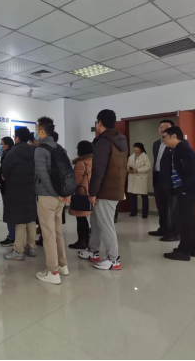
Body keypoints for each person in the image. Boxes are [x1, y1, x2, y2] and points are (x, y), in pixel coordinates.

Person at [79, 110, 128, 271]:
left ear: (99, 122)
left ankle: (113, 259)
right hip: (115, 187)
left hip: (105, 191)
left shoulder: (103, 142)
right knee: (96, 221)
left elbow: (98, 171)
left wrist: (92, 193)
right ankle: (93, 251)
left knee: (106, 225)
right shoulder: (121, 140)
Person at [34, 117, 70, 285]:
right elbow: (67, 173)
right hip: (60, 197)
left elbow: (42, 175)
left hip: (47, 196)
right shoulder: (60, 148)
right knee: (57, 232)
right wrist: (63, 193)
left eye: (37, 129)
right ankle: (62, 266)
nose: (36, 132)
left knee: (48, 234)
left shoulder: (40, 150)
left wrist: (55, 193)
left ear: (42, 131)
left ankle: (53, 271)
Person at [162, 127, 195, 262]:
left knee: (185, 221)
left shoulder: (182, 149)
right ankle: (191, 248)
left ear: (174, 136)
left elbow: (192, 171)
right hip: (188, 189)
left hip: (188, 190)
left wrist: (183, 188)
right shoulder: (180, 148)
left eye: (165, 137)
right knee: (189, 220)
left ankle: (184, 251)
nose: (163, 140)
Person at [3, 127, 38, 262]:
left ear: (17, 138)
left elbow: (5, 172)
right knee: (31, 219)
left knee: (19, 220)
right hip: (31, 189)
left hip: (16, 190)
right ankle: (31, 247)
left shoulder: (12, 153)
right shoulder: (34, 151)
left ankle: (18, 250)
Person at [149, 120, 177, 241]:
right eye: (161, 127)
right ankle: (163, 229)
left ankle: (173, 233)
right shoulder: (156, 144)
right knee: (161, 206)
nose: (163, 129)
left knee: (172, 207)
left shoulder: (175, 143)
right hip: (158, 177)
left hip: (170, 179)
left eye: (166, 127)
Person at [68, 141, 94, 250]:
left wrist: (68, 190)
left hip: (81, 194)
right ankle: (86, 241)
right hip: (91, 192)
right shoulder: (93, 161)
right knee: (86, 219)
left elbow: (76, 181)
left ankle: (82, 241)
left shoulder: (81, 163)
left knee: (81, 219)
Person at [128, 143, 152, 219]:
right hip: (132, 176)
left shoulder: (145, 156)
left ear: (141, 148)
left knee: (144, 196)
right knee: (133, 195)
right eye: (134, 147)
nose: (135, 148)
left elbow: (148, 167)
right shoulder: (131, 156)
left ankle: (145, 213)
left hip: (141, 177)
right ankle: (133, 212)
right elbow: (128, 165)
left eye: (136, 147)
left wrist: (137, 170)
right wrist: (129, 169)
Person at [0, 137, 16, 248]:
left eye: (2, 144)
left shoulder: (7, 155)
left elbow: (5, 173)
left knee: (10, 213)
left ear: (7, 145)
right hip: (10, 188)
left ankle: (12, 237)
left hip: (8, 188)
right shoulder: (10, 154)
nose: (1, 146)